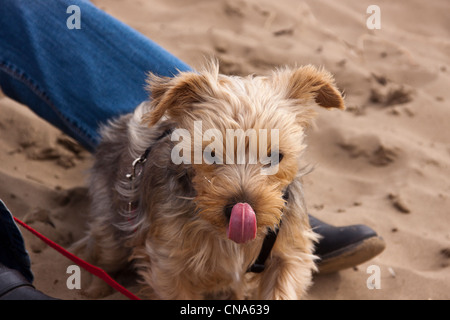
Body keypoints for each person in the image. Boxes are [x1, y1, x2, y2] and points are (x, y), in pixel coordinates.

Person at [0, 0, 385, 299]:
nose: (243, 193)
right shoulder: (175, 197)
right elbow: (169, 276)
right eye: (214, 157)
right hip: (144, 191)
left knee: (287, 254)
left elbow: (293, 263)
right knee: (115, 252)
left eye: (272, 159)